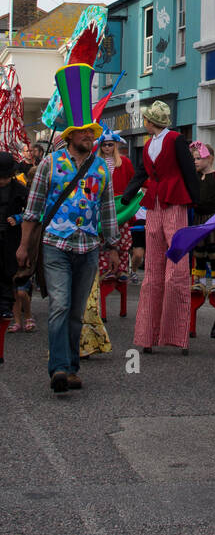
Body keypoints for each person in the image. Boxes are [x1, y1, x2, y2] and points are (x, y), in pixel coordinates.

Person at [17, 43, 120, 393]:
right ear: (70, 136)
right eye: (85, 133)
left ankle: (73, 367)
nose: (91, 137)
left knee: (76, 311)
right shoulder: (49, 164)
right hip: (56, 245)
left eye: (93, 133)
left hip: (88, 247)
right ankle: (58, 368)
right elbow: (32, 210)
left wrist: (114, 246)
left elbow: (107, 210)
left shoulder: (101, 168)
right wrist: (24, 247)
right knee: (59, 305)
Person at [121, 101, 199, 354]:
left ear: (150, 121)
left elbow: (188, 170)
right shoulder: (148, 144)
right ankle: (148, 334)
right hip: (154, 202)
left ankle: (177, 334)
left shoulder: (176, 139)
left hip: (175, 199)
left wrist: (195, 202)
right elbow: (143, 172)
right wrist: (129, 193)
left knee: (176, 269)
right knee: (153, 272)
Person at [97, 132, 135, 282]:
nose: (107, 147)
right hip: (102, 206)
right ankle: (105, 268)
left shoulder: (124, 162)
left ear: (116, 145)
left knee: (123, 238)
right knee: (102, 238)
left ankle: (122, 269)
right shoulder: (96, 163)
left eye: (110, 144)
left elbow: (133, 181)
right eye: (104, 144)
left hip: (120, 207)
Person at [190, 141, 215, 289]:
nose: (196, 161)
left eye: (199, 158)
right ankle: (199, 280)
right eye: (194, 158)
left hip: (212, 217)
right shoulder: (195, 176)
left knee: (213, 249)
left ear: (209, 158)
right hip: (198, 217)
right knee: (199, 249)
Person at [0, 151, 28, 321]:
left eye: (5, 177)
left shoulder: (20, 190)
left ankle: (5, 306)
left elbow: (33, 212)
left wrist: (18, 218)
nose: (2, 181)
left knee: (8, 271)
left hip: (11, 237)